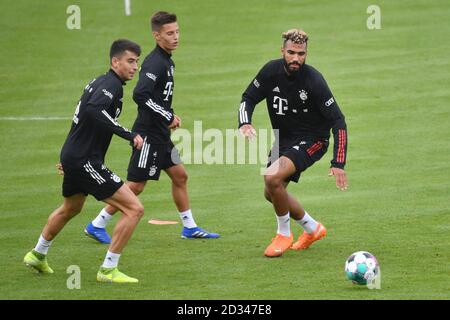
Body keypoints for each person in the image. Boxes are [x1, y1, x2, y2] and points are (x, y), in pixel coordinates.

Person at [84, 11, 219, 244]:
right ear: (157, 36)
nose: (175, 37)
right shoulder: (155, 62)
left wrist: (167, 115)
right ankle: (97, 224)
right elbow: (140, 94)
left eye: (177, 32)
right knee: (135, 186)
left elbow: (155, 96)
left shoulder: (167, 60)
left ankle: (189, 227)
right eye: (169, 33)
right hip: (147, 135)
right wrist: (167, 115)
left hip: (161, 135)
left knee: (180, 176)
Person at [23, 39, 145, 283]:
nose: (135, 67)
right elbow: (93, 111)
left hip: (75, 156)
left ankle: (37, 254)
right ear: (115, 61)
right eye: (130, 61)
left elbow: (83, 119)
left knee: (72, 208)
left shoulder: (100, 81)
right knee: (134, 209)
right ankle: (108, 269)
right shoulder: (111, 85)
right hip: (85, 160)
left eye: (137, 63)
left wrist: (68, 158)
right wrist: (129, 135)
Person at [238, 29, 348, 258]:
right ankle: (312, 228)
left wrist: (339, 161)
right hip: (284, 139)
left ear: (306, 54)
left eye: (301, 54)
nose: (296, 58)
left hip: (312, 139)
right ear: (282, 51)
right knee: (271, 192)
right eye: (291, 53)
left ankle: (283, 234)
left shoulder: (314, 80)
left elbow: (338, 120)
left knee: (272, 177)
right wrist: (244, 122)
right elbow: (248, 97)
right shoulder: (270, 71)